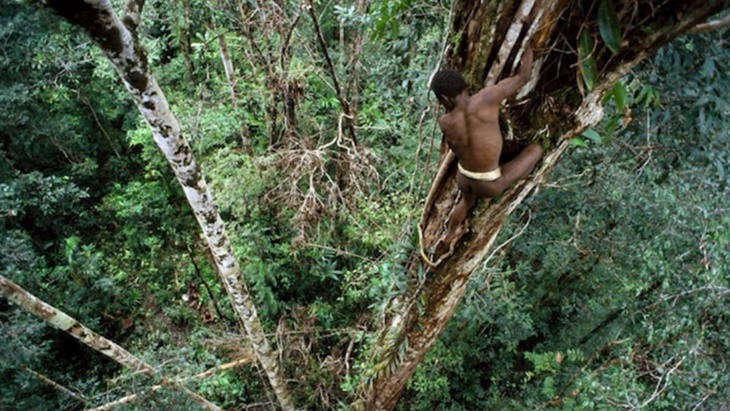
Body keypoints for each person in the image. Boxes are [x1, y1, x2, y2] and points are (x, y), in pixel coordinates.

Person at [430, 47, 543, 256]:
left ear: (445, 99)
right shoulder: (488, 97)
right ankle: (516, 171)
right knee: (535, 150)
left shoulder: (445, 122)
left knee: (465, 200)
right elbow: (524, 76)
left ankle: (450, 233)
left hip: (464, 177)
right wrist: (528, 48)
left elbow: (456, 148)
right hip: (489, 184)